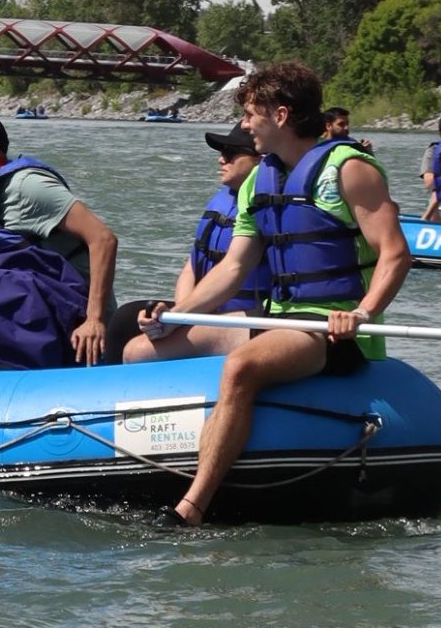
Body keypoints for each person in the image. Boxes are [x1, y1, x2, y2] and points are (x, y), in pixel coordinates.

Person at [134, 61, 409, 527]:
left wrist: (362, 312)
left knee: (241, 366)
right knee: (141, 350)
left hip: (331, 329)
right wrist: (175, 316)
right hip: (277, 319)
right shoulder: (260, 180)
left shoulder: (350, 170)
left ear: (280, 115)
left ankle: (191, 508)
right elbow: (234, 267)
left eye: (249, 114)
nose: (243, 125)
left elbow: (396, 254)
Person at [0, 110, 119, 365]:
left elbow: (103, 239)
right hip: (34, 309)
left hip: (75, 315)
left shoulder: (27, 185)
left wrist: (94, 320)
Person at [107, 122, 272, 364]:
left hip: (242, 314)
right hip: (203, 309)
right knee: (124, 319)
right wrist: (181, 314)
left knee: (138, 351)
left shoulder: (266, 207)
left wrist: (181, 319)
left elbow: (234, 270)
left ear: (260, 160)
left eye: (230, 153)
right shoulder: (224, 198)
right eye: (220, 152)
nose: (221, 160)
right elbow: (191, 267)